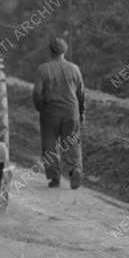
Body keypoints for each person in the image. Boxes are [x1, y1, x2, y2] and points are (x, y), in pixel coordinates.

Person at [32, 36, 85, 188]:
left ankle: (54, 178)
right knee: (72, 143)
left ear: (51, 51)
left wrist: (40, 107)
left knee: (50, 145)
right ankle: (75, 170)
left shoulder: (43, 69)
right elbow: (81, 93)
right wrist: (81, 112)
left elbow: (37, 93)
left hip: (50, 113)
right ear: (65, 51)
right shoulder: (75, 69)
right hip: (71, 112)